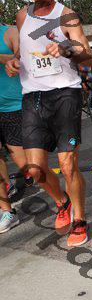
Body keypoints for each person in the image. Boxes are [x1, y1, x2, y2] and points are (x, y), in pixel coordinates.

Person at [6, 0, 92, 247]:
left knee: (68, 165)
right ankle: (62, 201)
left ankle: (80, 220)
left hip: (65, 93)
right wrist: (13, 62)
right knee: (34, 169)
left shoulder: (66, 15)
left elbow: (88, 56)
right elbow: (22, 52)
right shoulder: (22, 16)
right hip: (33, 97)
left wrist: (66, 50)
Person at [0, 22, 32, 232]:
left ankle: (61, 200)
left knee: (28, 166)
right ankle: (7, 211)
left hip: (13, 107)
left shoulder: (9, 33)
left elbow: (22, 60)